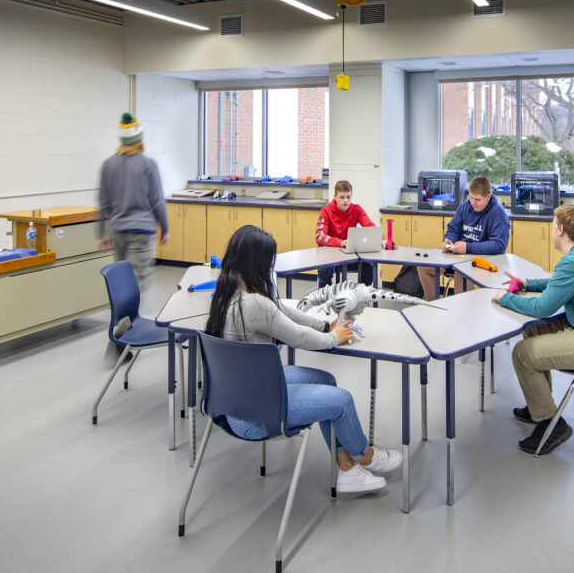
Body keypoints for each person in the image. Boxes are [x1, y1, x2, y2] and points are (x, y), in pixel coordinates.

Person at [205, 225, 402, 494]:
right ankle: (364, 455)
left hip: (232, 400)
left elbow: (283, 312)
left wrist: (325, 326)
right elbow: (297, 337)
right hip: (256, 416)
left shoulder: (227, 293)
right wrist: (336, 338)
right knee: (342, 401)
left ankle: (346, 467)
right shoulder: (255, 305)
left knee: (327, 380)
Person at [491, 205, 574, 455]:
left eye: (553, 225)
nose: (551, 229)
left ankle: (550, 424)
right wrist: (527, 283)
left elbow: (544, 307)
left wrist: (505, 298)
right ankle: (540, 405)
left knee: (522, 353)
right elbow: (559, 281)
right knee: (532, 332)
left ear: (561, 230)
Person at [98, 112, 168, 289]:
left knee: (121, 280)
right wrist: (165, 228)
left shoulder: (108, 165)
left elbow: (103, 201)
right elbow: (157, 200)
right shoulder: (148, 164)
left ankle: (122, 315)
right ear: (140, 139)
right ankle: (129, 317)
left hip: (118, 230)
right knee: (138, 281)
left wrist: (102, 232)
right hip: (142, 232)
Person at [417, 175, 510, 300]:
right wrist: (448, 240)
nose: (473, 202)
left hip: (484, 261)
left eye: (477, 199)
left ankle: (464, 314)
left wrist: (467, 247)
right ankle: (433, 306)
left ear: (488, 196)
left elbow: (499, 245)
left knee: (462, 273)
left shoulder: (498, 213)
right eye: (470, 197)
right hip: (459, 256)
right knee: (423, 267)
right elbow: (453, 229)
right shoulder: (465, 207)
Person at [314, 180, 386, 287]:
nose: (346, 200)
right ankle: (324, 299)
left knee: (369, 265)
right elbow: (319, 236)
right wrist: (340, 242)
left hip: (348, 255)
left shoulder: (356, 209)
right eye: (342, 197)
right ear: (335, 196)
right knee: (325, 270)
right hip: (329, 256)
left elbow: (370, 226)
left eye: (348, 197)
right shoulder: (326, 211)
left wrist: (383, 239)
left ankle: (361, 295)